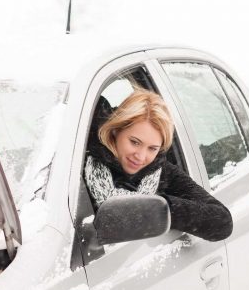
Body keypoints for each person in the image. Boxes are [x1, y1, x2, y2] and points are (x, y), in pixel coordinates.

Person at [84, 89, 232, 242]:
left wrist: (159, 209)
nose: (140, 157)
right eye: (134, 142)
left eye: (152, 148)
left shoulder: (161, 172)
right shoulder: (78, 165)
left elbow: (222, 221)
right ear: (115, 131)